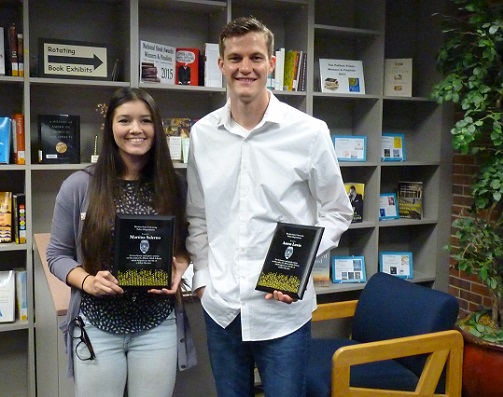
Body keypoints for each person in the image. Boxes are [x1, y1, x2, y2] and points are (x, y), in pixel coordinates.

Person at [185, 16, 353, 397]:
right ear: (221, 64)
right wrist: (204, 282)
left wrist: (299, 266)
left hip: (282, 314)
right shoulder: (202, 134)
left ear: (272, 64)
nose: (246, 68)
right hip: (222, 307)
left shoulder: (309, 132)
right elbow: (197, 214)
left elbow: (337, 211)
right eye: (236, 58)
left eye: (256, 57)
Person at [47, 87, 196, 397]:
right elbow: (57, 255)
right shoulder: (79, 185)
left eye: (145, 120)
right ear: (110, 127)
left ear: (157, 127)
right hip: (97, 327)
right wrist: (87, 282)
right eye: (125, 120)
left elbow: (186, 244)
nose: (136, 129)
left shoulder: (174, 186)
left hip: (157, 325)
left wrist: (180, 266)